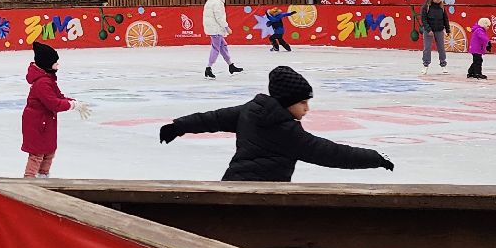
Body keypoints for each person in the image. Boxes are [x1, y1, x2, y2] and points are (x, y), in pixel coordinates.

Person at [157, 65, 395, 182]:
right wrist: (374, 157)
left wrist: (178, 126)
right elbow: (329, 153)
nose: (307, 108)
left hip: (232, 186)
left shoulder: (250, 110)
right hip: (262, 199)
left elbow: (213, 118)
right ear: (286, 102)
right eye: (303, 103)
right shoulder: (286, 131)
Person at [21, 41, 88, 178]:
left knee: (49, 152)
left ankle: (43, 177)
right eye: (55, 62)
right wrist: (72, 106)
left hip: (46, 124)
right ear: (46, 63)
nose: (58, 65)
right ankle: (29, 180)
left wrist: (73, 102)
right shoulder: (42, 83)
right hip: (37, 125)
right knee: (37, 154)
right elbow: (53, 104)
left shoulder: (48, 79)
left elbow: (59, 97)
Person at [202, 0, 244, 79]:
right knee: (216, 47)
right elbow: (219, 17)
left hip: (214, 27)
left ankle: (231, 65)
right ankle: (208, 68)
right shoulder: (217, 1)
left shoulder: (211, 0)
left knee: (223, 46)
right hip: (215, 28)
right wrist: (226, 27)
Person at [419, 0, 451, 74]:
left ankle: (443, 64)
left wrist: (448, 30)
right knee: (427, 48)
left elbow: (445, 19)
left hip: (439, 29)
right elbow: (424, 19)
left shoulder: (442, 7)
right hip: (428, 30)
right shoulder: (426, 7)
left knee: (441, 48)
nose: (438, 0)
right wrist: (429, 29)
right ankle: (425, 65)